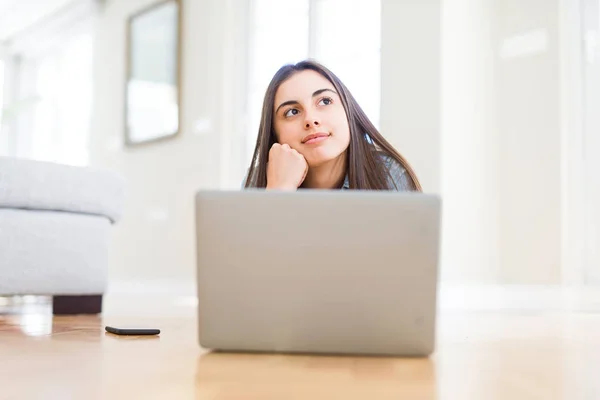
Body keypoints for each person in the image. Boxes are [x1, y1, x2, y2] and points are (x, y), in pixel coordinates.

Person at [243, 59, 422, 192]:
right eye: (292, 112)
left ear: (348, 111)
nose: (311, 120)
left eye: (325, 101)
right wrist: (279, 190)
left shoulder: (388, 174)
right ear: (275, 132)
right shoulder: (260, 181)